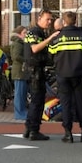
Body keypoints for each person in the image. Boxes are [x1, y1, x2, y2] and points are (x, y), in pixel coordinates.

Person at [49, 11, 82, 143]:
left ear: (64, 22)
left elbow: (51, 55)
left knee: (66, 104)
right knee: (80, 103)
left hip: (62, 75)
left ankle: (68, 133)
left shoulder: (57, 38)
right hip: (79, 75)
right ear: (75, 21)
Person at [22, 10, 59, 141]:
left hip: (35, 70)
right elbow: (34, 48)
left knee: (35, 101)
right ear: (39, 18)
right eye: (47, 19)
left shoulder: (39, 32)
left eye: (51, 20)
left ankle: (28, 128)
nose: (49, 22)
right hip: (34, 71)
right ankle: (34, 130)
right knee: (37, 102)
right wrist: (50, 39)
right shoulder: (34, 32)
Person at [9, 26, 29, 121]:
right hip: (19, 71)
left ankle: (21, 112)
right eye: (24, 32)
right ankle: (19, 113)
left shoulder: (20, 43)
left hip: (21, 71)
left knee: (22, 93)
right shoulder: (18, 43)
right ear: (20, 33)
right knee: (19, 93)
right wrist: (26, 60)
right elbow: (16, 56)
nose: (26, 34)